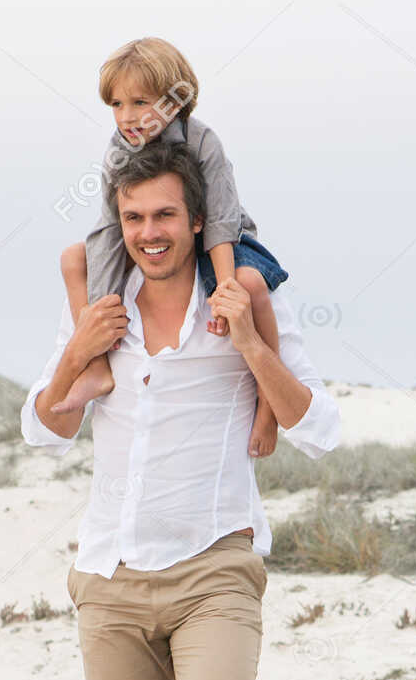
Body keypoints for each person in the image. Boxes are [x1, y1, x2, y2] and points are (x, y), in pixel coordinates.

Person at [20, 141, 341, 680]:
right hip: (110, 582)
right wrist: (70, 359)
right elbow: (43, 430)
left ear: (198, 220)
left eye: (165, 216)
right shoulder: (103, 307)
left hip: (214, 571)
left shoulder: (243, 301)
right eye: (134, 219)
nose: (150, 233)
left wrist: (247, 343)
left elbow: (323, 426)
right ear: (117, 226)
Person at [52, 35, 288, 459]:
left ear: (176, 99)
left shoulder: (203, 142)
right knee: (74, 258)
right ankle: (95, 367)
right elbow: (109, 230)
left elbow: (220, 219)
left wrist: (224, 289)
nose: (127, 117)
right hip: (156, 238)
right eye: (117, 105)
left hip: (220, 238)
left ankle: (268, 408)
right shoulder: (117, 151)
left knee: (250, 286)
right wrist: (99, 308)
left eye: (140, 102)